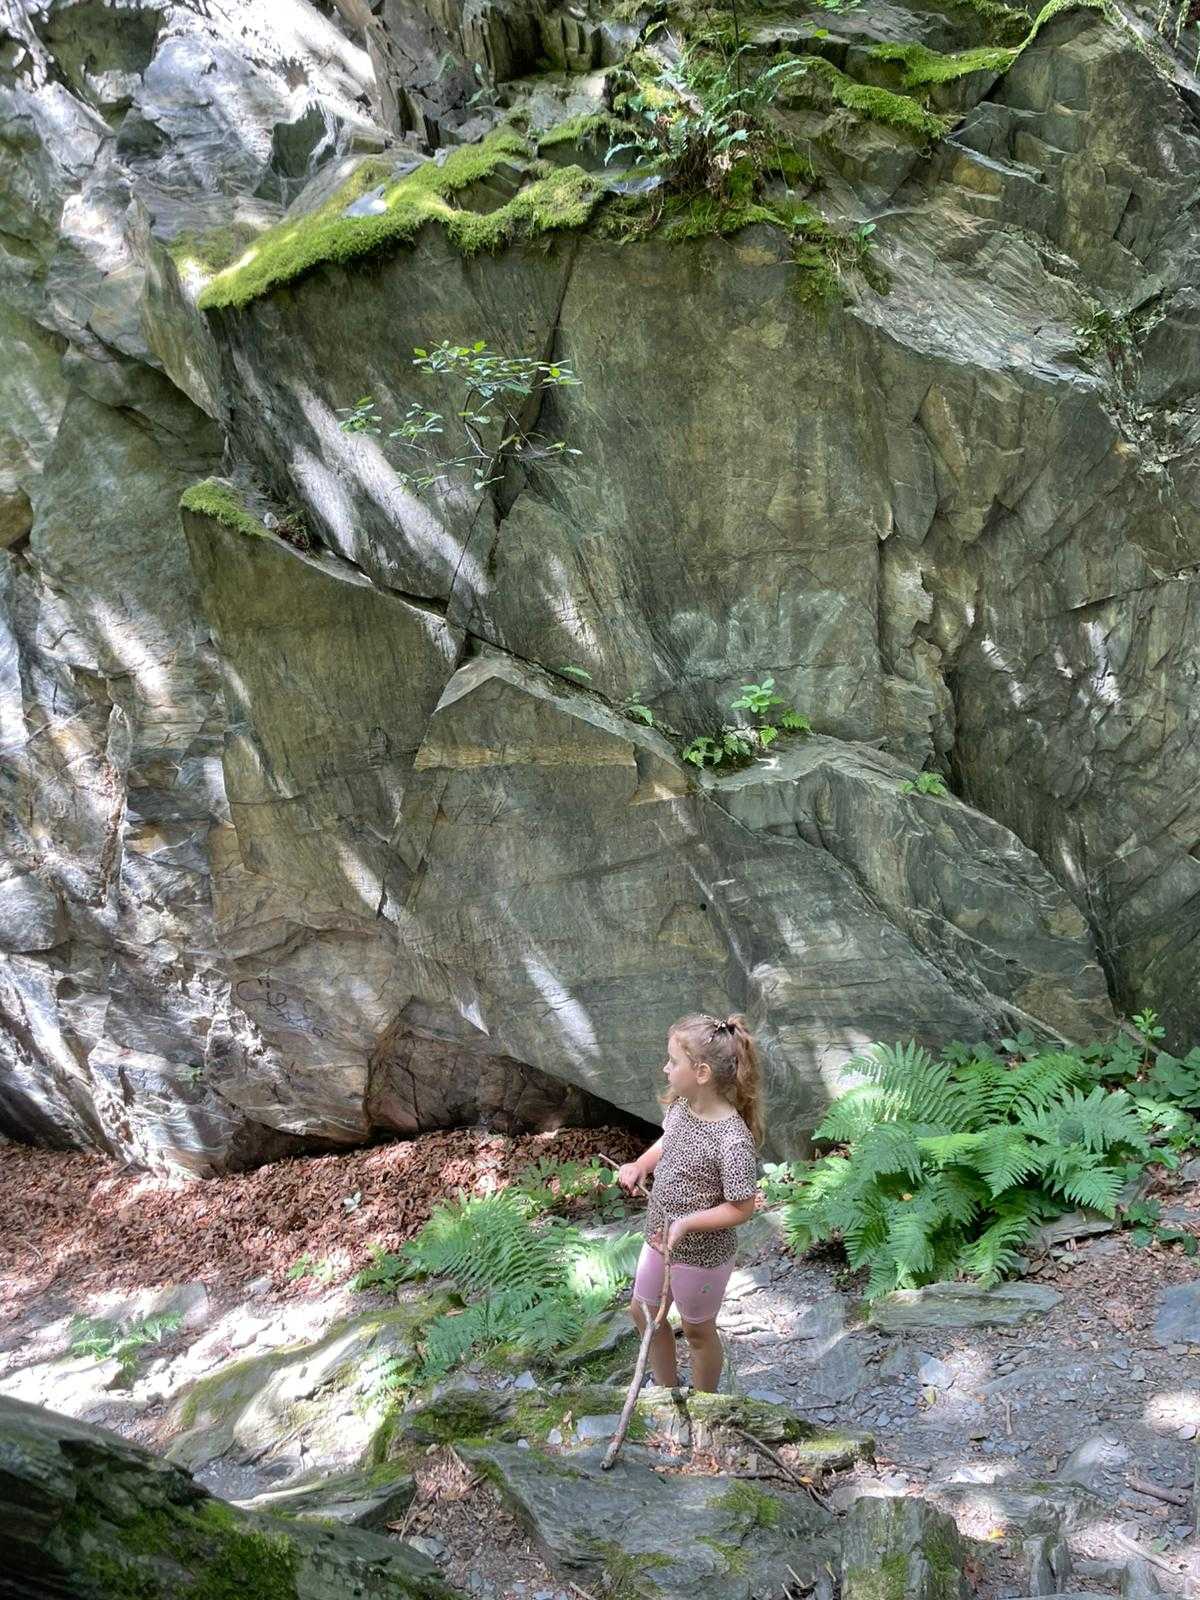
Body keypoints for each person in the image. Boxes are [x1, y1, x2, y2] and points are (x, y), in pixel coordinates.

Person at [617, 1012, 763, 1392]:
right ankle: (665, 1388)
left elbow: (742, 1207)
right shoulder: (681, 1107)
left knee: (697, 1331)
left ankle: (704, 1404)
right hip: (658, 1238)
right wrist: (641, 1164)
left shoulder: (732, 1139)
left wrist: (686, 1223)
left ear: (701, 1073)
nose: (665, 1068)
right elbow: (669, 1142)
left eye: (673, 1061)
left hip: (702, 1256)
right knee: (644, 1312)